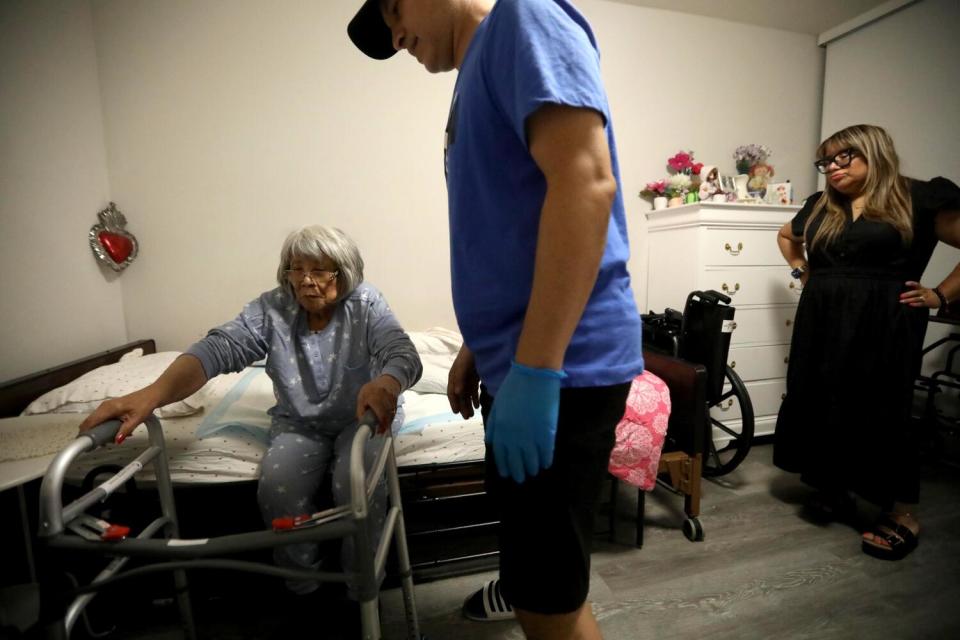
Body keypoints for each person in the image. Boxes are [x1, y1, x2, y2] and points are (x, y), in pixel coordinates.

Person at [348, 1, 644, 638]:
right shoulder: (475, 69)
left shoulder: (524, 16)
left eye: (394, 8)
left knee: (548, 600)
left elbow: (585, 183)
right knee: (539, 575)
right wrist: (481, 347)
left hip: (566, 366)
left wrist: (536, 369)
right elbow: (511, 225)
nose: (396, 35)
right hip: (522, 357)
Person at [79, 225, 422, 602]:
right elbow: (217, 350)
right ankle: (302, 589)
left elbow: (401, 352)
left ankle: (361, 589)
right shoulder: (273, 309)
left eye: (321, 270)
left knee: (354, 480)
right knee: (278, 488)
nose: (307, 281)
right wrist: (151, 395)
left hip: (363, 417)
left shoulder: (366, 303)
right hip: (300, 422)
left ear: (345, 272)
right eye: (297, 269)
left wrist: (387, 384)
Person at [774, 124, 960, 561]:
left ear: (874, 151)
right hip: (822, 315)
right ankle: (835, 488)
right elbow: (786, 236)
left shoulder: (919, 197)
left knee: (882, 404)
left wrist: (940, 294)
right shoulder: (822, 206)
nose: (833, 168)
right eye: (825, 162)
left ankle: (902, 512)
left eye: (844, 157)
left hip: (886, 317)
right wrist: (802, 269)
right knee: (822, 398)